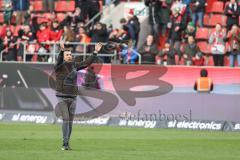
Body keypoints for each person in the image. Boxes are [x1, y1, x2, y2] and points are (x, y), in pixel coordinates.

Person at [54, 42, 102, 150]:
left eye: (70, 54)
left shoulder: (74, 65)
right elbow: (59, 60)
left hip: (73, 97)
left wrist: (95, 52)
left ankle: (67, 144)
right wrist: (62, 51)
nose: (69, 56)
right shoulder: (59, 67)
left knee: (70, 122)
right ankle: (64, 143)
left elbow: (87, 62)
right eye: (67, 55)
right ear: (63, 56)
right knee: (66, 119)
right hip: (62, 96)